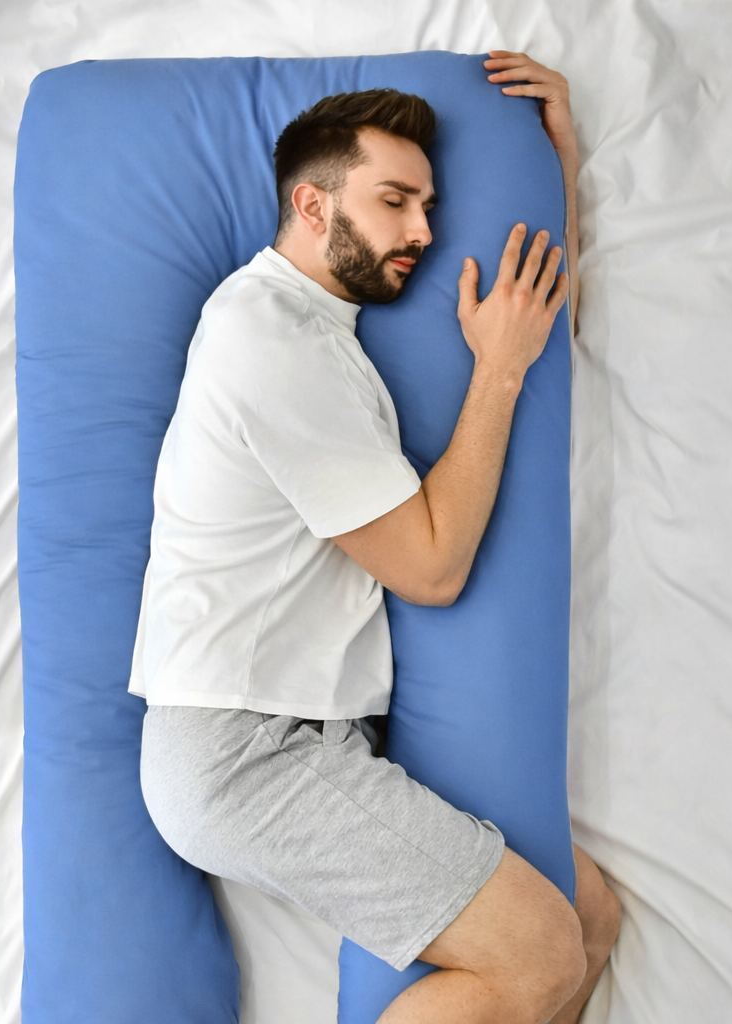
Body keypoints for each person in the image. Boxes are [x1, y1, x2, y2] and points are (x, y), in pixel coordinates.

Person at [130, 51, 621, 1024]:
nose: (425, 231)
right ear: (312, 208)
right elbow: (431, 568)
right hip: (243, 748)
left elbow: (536, 340)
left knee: (588, 918)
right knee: (535, 953)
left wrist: (551, 160)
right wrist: (498, 374)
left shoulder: (328, 336)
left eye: (431, 206)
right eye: (395, 200)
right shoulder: (267, 336)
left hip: (305, 738)